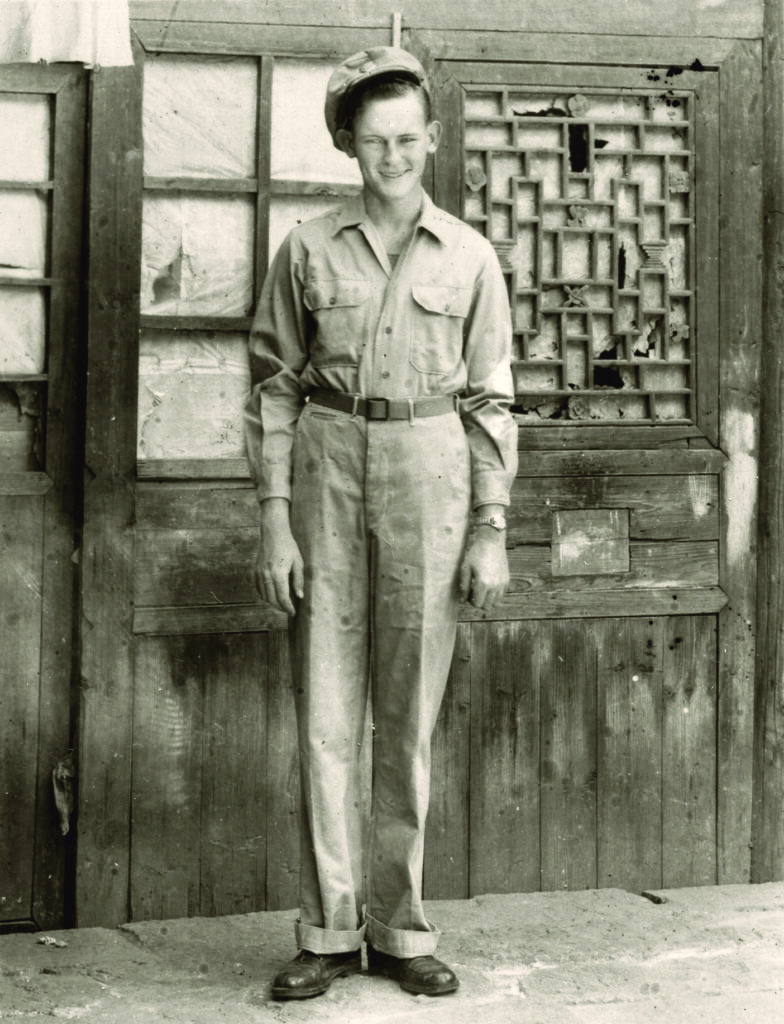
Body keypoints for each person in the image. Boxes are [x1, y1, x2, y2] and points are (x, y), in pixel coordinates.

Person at [243, 46, 518, 1001]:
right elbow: (274, 388)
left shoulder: (471, 256)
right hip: (326, 470)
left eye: (406, 138)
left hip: (430, 475)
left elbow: (492, 400)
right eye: (373, 141)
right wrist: (274, 519)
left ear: (432, 139)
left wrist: (490, 525)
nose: (392, 156)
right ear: (347, 146)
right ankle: (327, 931)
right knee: (325, 716)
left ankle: (400, 930)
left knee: (406, 722)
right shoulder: (307, 249)